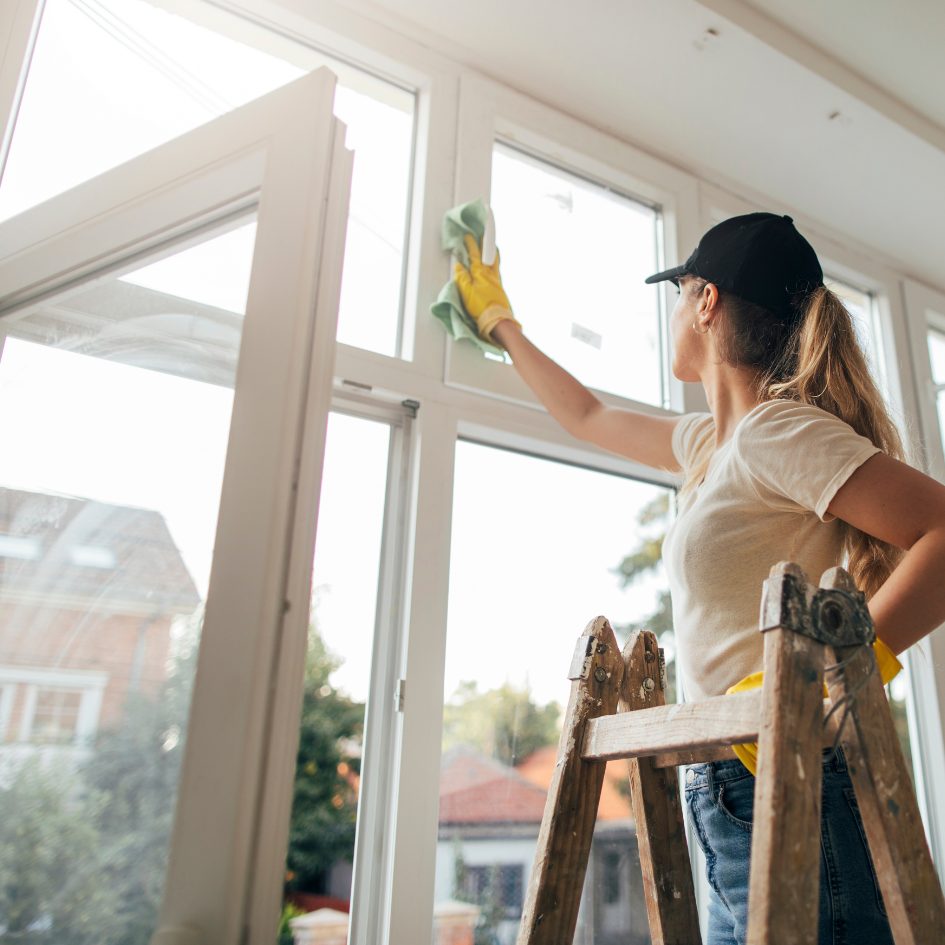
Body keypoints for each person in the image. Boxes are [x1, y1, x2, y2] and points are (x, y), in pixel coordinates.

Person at [452, 211, 945, 945]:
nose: (675, 310)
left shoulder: (780, 431)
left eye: (679, 292)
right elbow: (585, 414)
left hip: (794, 781)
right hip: (724, 790)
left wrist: (841, 673)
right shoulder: (710, 445)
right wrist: (499, 321)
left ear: (706, 300)